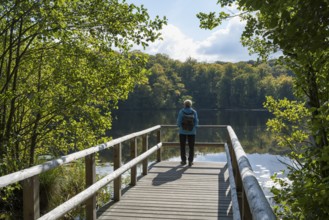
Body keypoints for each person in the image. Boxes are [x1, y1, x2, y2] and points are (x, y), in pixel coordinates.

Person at [176, 99, 199, 166]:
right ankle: (190, 161)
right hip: (192, 132)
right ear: (190, 105)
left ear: (184, 104)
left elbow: (179, 121)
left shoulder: (181, 111)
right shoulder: (194, 112)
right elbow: (196, 121)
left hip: (182, 132)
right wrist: (194, 128)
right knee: (191, 147)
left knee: (182, 146)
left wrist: (180, 126)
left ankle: (183, 161)